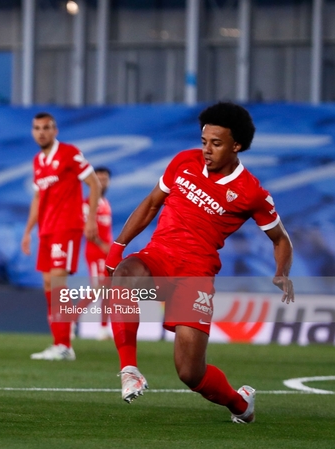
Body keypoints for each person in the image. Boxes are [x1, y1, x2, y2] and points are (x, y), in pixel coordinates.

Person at [105, 102, 294, 423]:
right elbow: (152, 203)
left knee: (190, 373)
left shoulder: (251, 193)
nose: (206, 150)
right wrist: (117, 248)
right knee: (124, 277)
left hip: (195, 275)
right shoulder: (183, 162)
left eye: (216, 144)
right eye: (204, 141)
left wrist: (281, 273)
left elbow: (280, 239)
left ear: (237, 146)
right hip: (159, 257)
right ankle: (130, 370)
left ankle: (240, 404)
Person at [21, 112, 101, 361]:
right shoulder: (38, 161)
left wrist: (90, 220)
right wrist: (28, 231)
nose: (41, 132)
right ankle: (60, 342)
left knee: (58, 284)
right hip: (46, 229)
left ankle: (65, 345)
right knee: (49, 284)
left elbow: (95, 183)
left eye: (46, 127)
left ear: (55, 131)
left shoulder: (69, 153)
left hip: (66, 227)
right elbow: (37, 197)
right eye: (37, 128)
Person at [80, 166, 112, 340]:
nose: (102, 182)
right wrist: (102, 245)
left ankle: (103, 328)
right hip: (95, 252)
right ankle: (71, 318)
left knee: (107, 290)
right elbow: (88, 231)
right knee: (99, 289)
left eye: (105, 178)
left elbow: (107, 230)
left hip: (107, 253)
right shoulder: (87, 204)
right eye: (99, 178)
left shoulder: (105, 203)